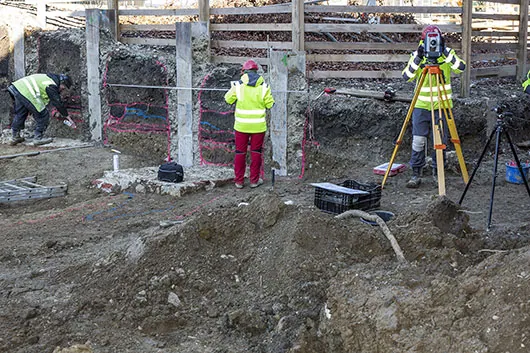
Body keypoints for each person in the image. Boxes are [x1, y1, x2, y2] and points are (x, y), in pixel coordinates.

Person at [402, 25, 466, 188]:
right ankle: (416, 173)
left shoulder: (447, 54)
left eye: (435, 40)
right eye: (428, 40)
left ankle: (438, 173)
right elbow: (406, 76)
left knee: (441, 141)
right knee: (418, 141)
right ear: (422, 41)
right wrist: (417, 59)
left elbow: (461, 68)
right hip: (421, 106)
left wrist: (444, 52)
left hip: (441, 106)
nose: (432, 43)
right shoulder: (418, 55)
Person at [224, 59, 275, 189]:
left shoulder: (239, 85)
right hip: (258, 127)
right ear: (256, 71)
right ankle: (254, 181)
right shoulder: (264, 86)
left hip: (241, 126)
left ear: (244, 72)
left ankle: (239, 181)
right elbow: (270, 104)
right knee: (256, 153)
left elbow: (228, 99)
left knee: (240, 153)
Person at [7, 73, 73, 146]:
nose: (62, 90)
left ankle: (15, 136)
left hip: (18, 88)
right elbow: (57, 101)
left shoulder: (48, 78)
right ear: (61, 82)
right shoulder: (51, 85)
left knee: (21, 113)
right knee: (43, 114)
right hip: (27, 92)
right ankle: (38, 138)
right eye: (63, 88)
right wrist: (66, 115)